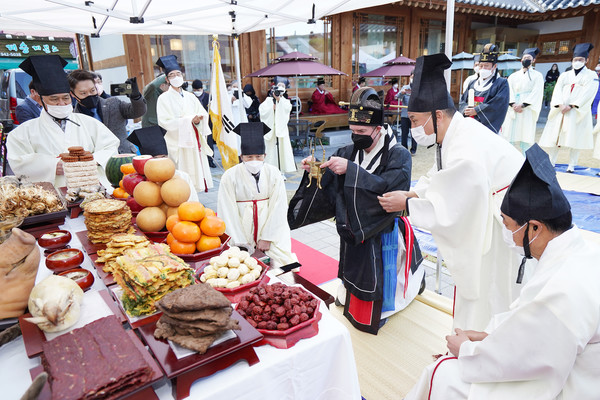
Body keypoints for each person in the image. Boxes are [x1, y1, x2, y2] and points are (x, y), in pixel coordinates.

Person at [404, 144, 600, 400]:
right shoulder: (581, 253)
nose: (507, 234)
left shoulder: (564, 289)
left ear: (535, 228)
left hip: (574, 384)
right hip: (565, 362)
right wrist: (488, 337)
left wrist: (467, 351)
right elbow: (532, 325)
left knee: (443, 373)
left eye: (507, 225)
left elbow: (536, 359)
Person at [378, 53, 523, 332]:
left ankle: (480, 346)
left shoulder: (464, 147)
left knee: (489, 290)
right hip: (493, 208)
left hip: (500, 221)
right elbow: (439, 178)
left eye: (416, 120)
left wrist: (407, 206)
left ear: (438, 115)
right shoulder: (453, 134)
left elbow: (457, 205)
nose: (415, 128)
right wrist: (413, 194)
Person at [296, 87, 425, 335]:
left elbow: (391, 192)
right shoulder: (350, 151)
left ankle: (385, 308)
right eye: (353, 131)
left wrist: (353, 172)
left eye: (362, 132)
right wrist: (314, 169)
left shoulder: (399, 156)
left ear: (378, 129)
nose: (356, 137)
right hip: (354, 226)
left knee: (383, 277)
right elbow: (334, 179)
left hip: (382, 229)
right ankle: (350, 299)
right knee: (352, 270)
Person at [6, 55, 119, 189]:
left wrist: (93, 161)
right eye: (54, 99)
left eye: (65, 98)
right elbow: (18, 161)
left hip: (93, 189)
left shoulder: (89, 123)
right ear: (41, 99)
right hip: (52, 197)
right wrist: (52, 166)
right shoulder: (23, 133)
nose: (61, 103)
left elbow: (111, 146)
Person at [218, 122, 298, 268]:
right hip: (241, 227)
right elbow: (226, 210)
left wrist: (267, 237)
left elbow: (279, 206)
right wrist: (240, 241)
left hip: (268, 225)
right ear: (241, 156)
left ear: (265, 155)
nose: (254, 161)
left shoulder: (274, 173)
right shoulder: (229, 176)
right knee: (240, 264)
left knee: (280, 264)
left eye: (258, 156)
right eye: (249, 157)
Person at [156, 55, 213, 192]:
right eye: (172, 75)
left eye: (178, 74)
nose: (176, 77)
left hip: (193, 139)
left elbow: (202, 113)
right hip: (178, 142)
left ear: (182, 76)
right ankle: (180, 197)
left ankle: (194, 196)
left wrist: (199, 120)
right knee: (181, 174)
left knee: (196, 173)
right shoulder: (163, 98)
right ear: (167, 79)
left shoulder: (190, 96)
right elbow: (164, 122)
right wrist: (188, 120)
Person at [539, 43, 598, 172]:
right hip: (561, 110)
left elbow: (589, 93)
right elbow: (557, 90)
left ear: (586, 60)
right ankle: (552, 162)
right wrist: (560, 104)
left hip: (577, 111)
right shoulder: (565, 75)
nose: (577, 62)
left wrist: (572, 105)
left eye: (581, 60)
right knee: (556, 137)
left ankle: (572, 165)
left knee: (575, 138)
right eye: (575, 60)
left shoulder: (591, 75)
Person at [68, 69, 146, 154]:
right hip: (96, 161)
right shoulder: (74, 119)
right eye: (83, 93)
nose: (89, 95)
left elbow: (138, 112)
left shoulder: (113, 103)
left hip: (124, 155)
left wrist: (136, 97)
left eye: (92, 90)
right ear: (72, 94)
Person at [459, 44, 509, 134]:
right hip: (471, 124)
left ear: (494, 66)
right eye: (481, 66)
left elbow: (498, 105)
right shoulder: (472, 82)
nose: (483, 69)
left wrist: (477, 110)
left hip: (487, 127)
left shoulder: (501, 83)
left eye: (486, 66)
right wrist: (466, 109)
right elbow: (463, 101)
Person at [501, 48, 544, 154]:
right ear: (521, 60)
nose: (526, 60)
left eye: (529, 58)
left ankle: (526, 160)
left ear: (533, 60)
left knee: (526, 136)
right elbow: (508, 90)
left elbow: (537, 92)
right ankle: (509, 158)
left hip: (527, 109)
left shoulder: (537, 76)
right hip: (513, 108)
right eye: (524, 58)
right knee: (510, 135)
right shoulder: (513, 76)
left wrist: (523, 105)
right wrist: (513, 104)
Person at [259, 83, 295, 174]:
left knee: (282, 151)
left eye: (283, 86)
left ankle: (281, 171)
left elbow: (287, 109)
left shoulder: (285, 101)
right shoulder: (267, 101)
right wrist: (272, 109)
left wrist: (279, 101)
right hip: (271, 131)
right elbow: (262, 111)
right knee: (271, 151)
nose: (280, 88)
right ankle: (270, 171)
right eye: (279, 86)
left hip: (281, 130)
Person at [192, 79, 216, 168]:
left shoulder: (208, 97)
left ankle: (211, 160)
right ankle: (199, 161)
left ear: (202, 88)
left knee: (208, 142)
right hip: (195, 122)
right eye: (195, 90)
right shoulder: (191, 97)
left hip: (207, 122)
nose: (196, 92)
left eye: (198, 90)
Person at [399, 71, 417, 155]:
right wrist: (401, 93)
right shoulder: (405, 87)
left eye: (415, 77)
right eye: (412, 77)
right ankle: (404, 149)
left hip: (415, 115)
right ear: (410, 77)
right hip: (404, 115)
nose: (413, 79)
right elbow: (397, 97)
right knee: (404, 133)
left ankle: (413, 150)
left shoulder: (419, 88)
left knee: (414, 133)